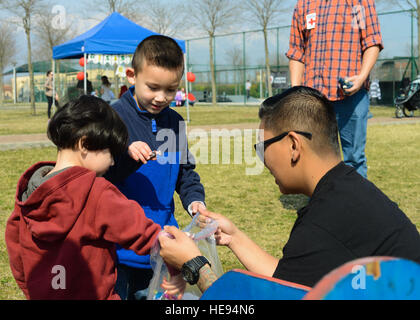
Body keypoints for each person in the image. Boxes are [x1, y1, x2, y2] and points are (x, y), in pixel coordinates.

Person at [158, 86, 420, 292]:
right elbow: (288, 282)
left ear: (294, 145)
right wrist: (234, 238)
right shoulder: (345, 193)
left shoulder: (325, 222)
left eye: (263, 148)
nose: (262, 159)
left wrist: (194, 264)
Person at [5, 95, 165, 300]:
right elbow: (142, 232)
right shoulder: (96, 191)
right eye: (111, 154)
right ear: (85, 144)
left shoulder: (29, 194)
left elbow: (17, 257)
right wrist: (173, 245)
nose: (114, 163)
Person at [103, 35, 206, 300]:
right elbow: (98, 178)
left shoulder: (175, 122)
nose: (161, 98)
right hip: (117, 250)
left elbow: (184, 171)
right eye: (152, 87)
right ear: (131, 75)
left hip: (160, 248)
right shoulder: (112, 119)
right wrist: (124, 155)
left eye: (170, 90)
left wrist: (194, 199)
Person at [287, 0, 383, 179]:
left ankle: (354, 205)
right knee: (314, 158)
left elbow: (371, 41)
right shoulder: (304, 4)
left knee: (354, 159)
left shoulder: (358, 3)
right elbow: (296, 52)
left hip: (351, 97)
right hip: (313, 101)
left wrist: (361, 77)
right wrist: (295, 91)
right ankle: (321, 204)